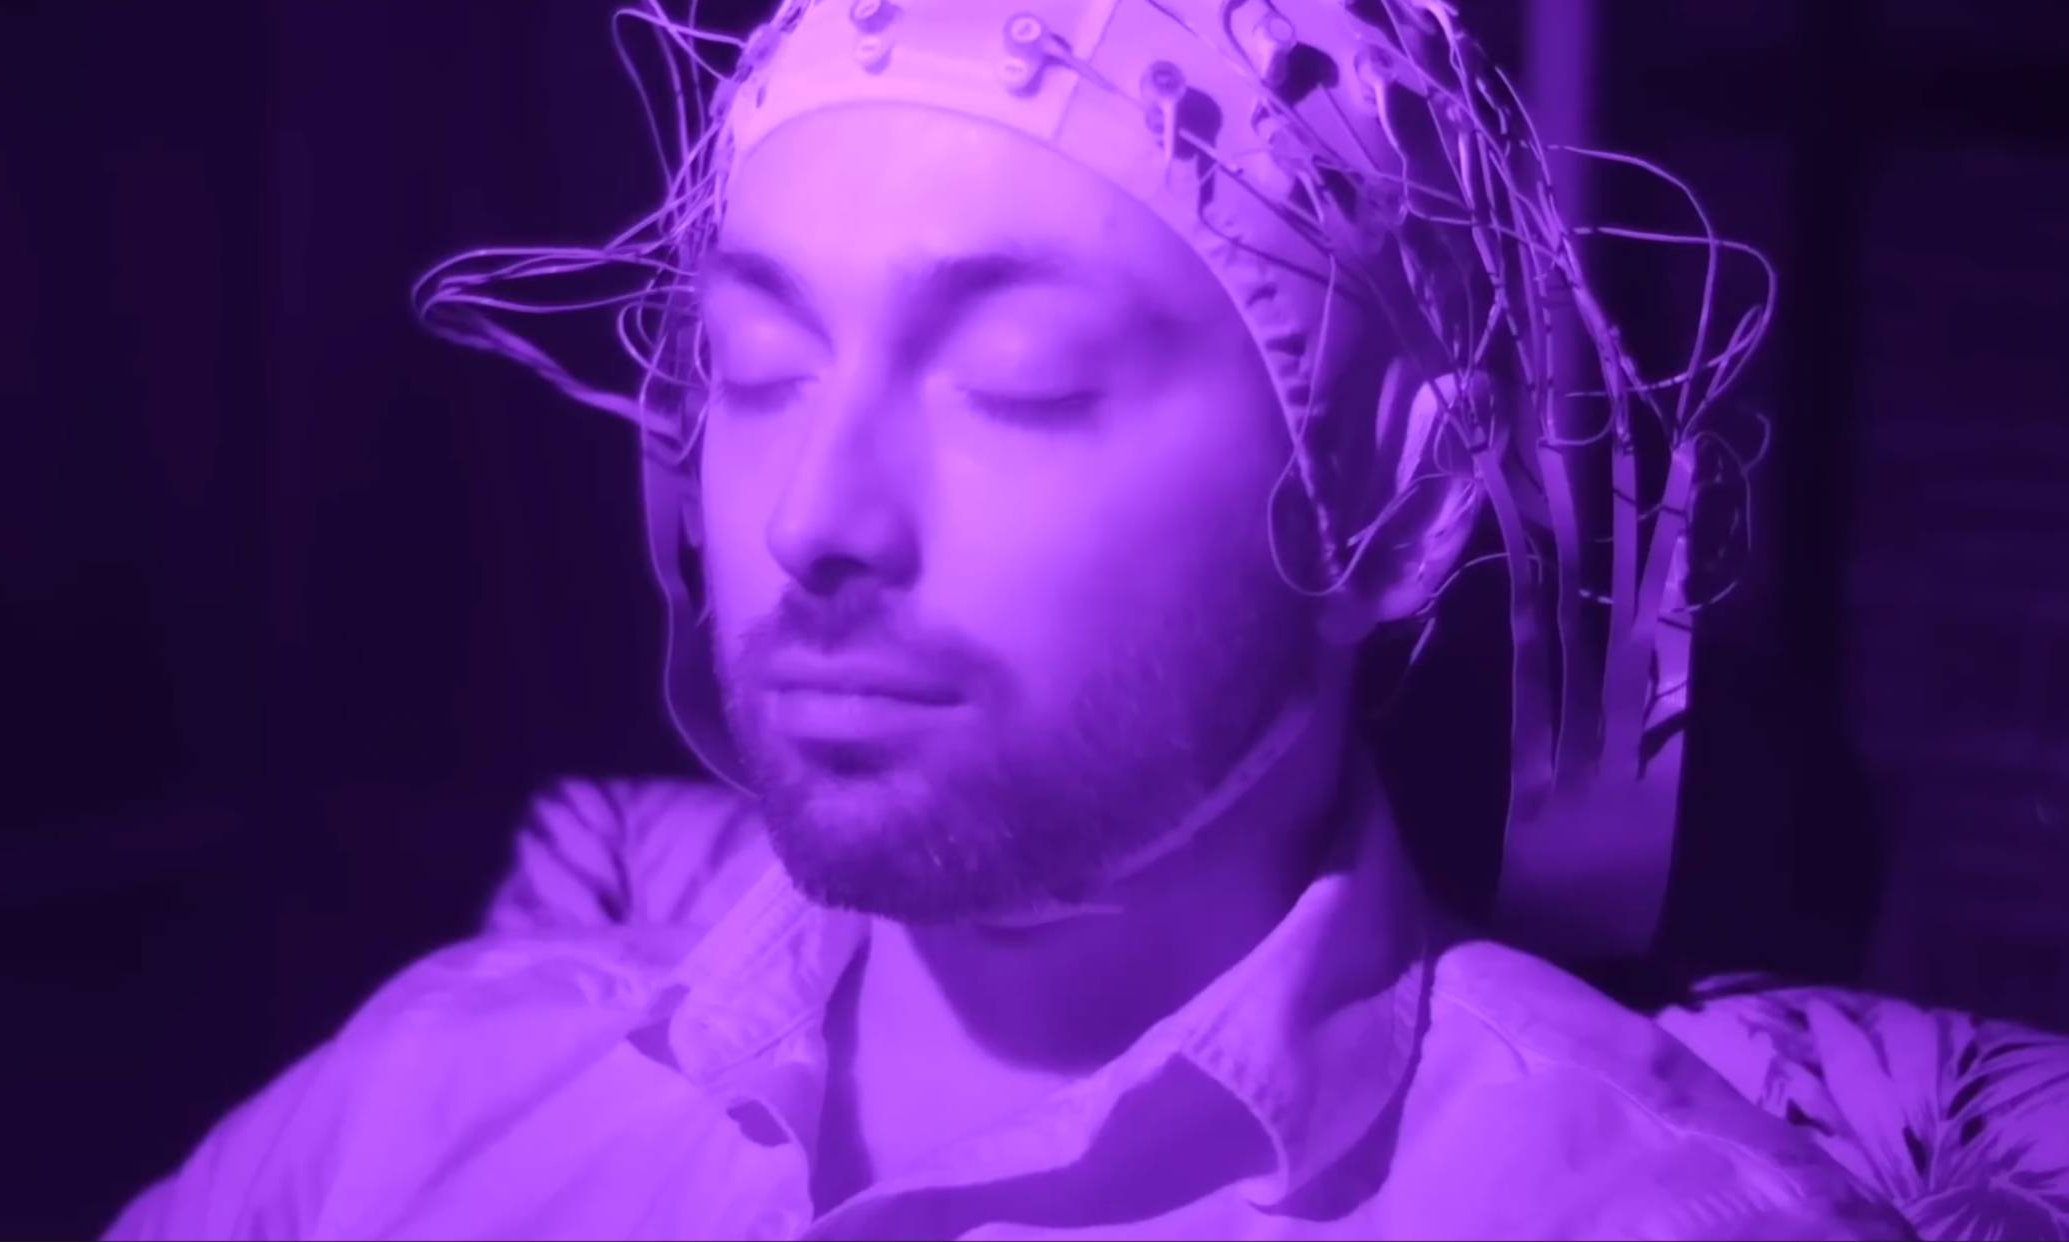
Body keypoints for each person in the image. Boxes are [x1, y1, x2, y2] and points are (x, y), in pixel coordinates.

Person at [109, 0, 1913, 1236]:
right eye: (754, 366)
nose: (814, 520)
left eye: (1021, 379)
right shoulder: (426, 1107)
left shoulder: (1616, 1208)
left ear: (1398, 502)